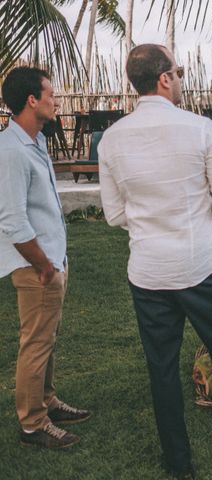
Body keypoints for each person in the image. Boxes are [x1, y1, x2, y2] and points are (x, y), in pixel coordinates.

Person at [98, 44, 212, 478]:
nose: (180, 78)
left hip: (148, 272)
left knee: (161, 370)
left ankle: (178, 463)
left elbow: (114, 213)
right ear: (163, 78)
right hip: (201, 265)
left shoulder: (111, 138)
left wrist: (149, 222)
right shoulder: (200, 128)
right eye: (177, 72)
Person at [0, 67, 91, 449]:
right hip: (35, 268)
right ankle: (33, 424)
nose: (57, 99)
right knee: (36, 342)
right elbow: (13, 219)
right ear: (32, 100)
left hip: (50, 260)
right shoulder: (11, 150)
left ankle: (47, 400)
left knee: (47, 338)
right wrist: (43, 265)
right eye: (51, 93)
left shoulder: (34, 141)